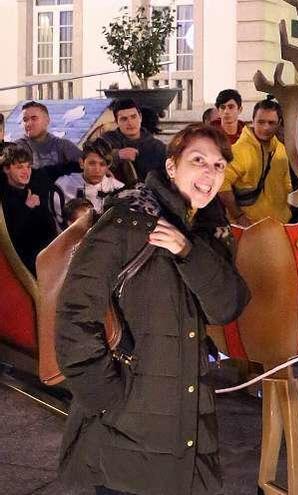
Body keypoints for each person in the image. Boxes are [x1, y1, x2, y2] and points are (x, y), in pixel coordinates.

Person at [55, 124, 251, 495]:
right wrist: (108, 398)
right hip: (124, 429)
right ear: (172, 166)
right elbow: (73, 315)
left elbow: (228, 306)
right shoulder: (128, 219)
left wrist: (188, 251)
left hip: (182, 422)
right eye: (198, 161)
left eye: (219, 165)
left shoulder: (206, 229)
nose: (210, 173)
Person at [219, 98, 292, 225]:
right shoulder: (237, 151)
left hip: (280, 224)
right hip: (249, 226)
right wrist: (239, 216)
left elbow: (286, 181)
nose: (266, 127)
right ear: (253, 121)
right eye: (261, 122)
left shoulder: (280, 148)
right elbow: (221, 184)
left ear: (279, 123)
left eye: (271, 123)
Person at [0, 144, 56, 274]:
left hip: (45, 256)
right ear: (7, 169)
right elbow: (10, 237)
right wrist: (27, 208)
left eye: (28, 167)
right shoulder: (4, 199)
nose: (26, 172)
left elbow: (49, 229)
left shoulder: (33, 190)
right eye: (19, 167)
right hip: (19, 262)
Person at [52, 139, 125, 228]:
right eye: (92, 163)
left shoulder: (119, 189)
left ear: (108, 166)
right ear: (82, 163)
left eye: (102, 164)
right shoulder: (62, 186)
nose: (97, 170)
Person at [100, 98, 167, 184]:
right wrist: (117, 155)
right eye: (124, 119)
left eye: (133, 117)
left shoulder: (157, 147)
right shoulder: (106, 140)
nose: (130, 123)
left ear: (140, 117)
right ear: (116, 122)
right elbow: (88, 160)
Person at [16, 100, 81, 181]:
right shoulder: (16, 148)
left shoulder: (63, 145)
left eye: (34, 118)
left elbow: (87, 167)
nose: (28, 124)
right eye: (25, 120)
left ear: (47, 121)